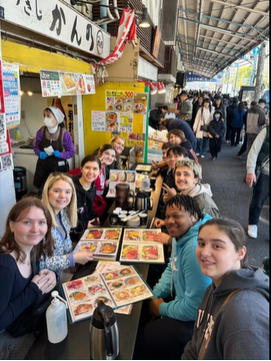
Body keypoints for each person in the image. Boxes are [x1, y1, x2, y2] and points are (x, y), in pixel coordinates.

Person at [182, 218, 269, 360]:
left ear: (240, 253)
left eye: (217, 246)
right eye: (201, 243)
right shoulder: (214, 287)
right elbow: (196, 345)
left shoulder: (245, 317)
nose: (204, 252)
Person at [143, 195, 212, 360]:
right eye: (167, 216)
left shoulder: (194, 248)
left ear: (194, 217)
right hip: (183, 302)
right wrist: (154, 295)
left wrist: (160, 308)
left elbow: (195, 307)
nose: (169, 221)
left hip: (196, 323)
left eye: (176, 216)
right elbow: (171, 268)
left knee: (146, 336)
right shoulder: (179, 236)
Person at [0, 197, 56, 331]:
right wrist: (33, 290)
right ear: (12, 225)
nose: (35, 229)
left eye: (41, 222)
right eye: (27, 222)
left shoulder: (32, 247)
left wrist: (52, 276)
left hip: (31, 319)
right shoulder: (5, 266)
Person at [40, 173, 93, 282]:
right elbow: (40, 263)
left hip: (62, 272)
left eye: (67, 192)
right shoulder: (40, 220)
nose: (62, 196)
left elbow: (66, 241)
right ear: (47, 192)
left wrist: (73, 264)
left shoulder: (62, 212)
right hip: (48, 280)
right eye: (57, 191)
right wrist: (73, 259)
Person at [154, 160, 220, 243]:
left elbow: (205, 239)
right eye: (178, 174)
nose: (181, 178)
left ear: (196, 179)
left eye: (186, 174)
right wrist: (166, 222)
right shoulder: (184, 193)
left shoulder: (203, 204)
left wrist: (170, 240)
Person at [33, 106, 75, 190]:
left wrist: (60, 154)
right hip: (43, 166)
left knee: (57, 188)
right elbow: (35, 146)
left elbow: (71, 152)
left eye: (48, 116)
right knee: (42, 189)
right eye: (44, 116)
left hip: (59, 167)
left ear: (56, 119)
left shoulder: (64, 134)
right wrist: (39, 153)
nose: (46, 119)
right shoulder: (40, 131)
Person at [245, 125, 269, 239]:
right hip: (265, 173)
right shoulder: (266, 130)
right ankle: (253, 223)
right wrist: (250, 171)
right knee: (258, 199)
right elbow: (254, 150)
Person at [70, 155, 101, 242]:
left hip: (84, 233)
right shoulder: (71, 189)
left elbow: (88, 209)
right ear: (81, 169)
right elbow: (67, 218)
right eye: (87, 167)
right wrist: (85, 225)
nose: (91, 172)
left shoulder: (92, 187)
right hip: (72, 237)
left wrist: (95, 217)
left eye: (95, 169)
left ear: (99, 171)